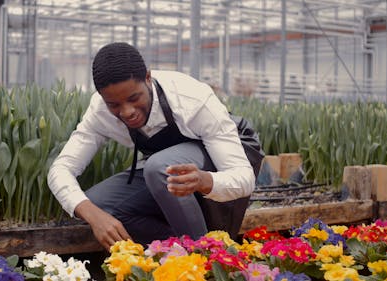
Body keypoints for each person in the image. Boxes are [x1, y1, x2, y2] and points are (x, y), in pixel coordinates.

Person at [47, 42, 258, 250]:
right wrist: (92, 214)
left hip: (228, 155)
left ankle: (203, 257)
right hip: (171, 172)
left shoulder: (191, 98)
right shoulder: (99, 112)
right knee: (97, 203)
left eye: (134, 98)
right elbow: (60, 169)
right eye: (114, 105)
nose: (127, 111)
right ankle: (173, 251)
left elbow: (244, 178)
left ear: (148, 78)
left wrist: (204, 180)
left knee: (160, 166)